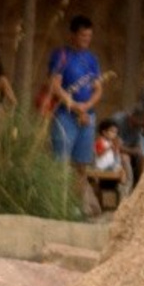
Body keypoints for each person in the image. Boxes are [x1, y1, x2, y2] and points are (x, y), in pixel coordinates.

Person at [44, 14, 102, 169]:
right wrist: (76, 107)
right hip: (65, 114)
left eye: (89, 35)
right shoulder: (61, 55)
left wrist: (86, 106)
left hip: (87, 115)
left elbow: (98, 89)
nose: (87, 39)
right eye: (83, 35)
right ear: (73, 35)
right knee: (60, 163)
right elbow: (55, 86)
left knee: (82, 165)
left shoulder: (92, 59)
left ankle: (79, 187)